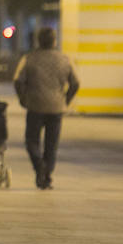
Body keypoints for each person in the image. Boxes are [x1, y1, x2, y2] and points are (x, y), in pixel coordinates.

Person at [13, 27, 80, 189]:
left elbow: (17, 80)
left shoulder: (29, 58)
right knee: (52, 144)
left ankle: (39, 167)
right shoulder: (65, 59)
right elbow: (75, 83)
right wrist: (66, 100)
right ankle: (46, 175)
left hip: (35, 105)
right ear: (54, 41)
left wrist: (23, 98)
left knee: (31, 141)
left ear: (38, 41)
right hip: (56, 107)